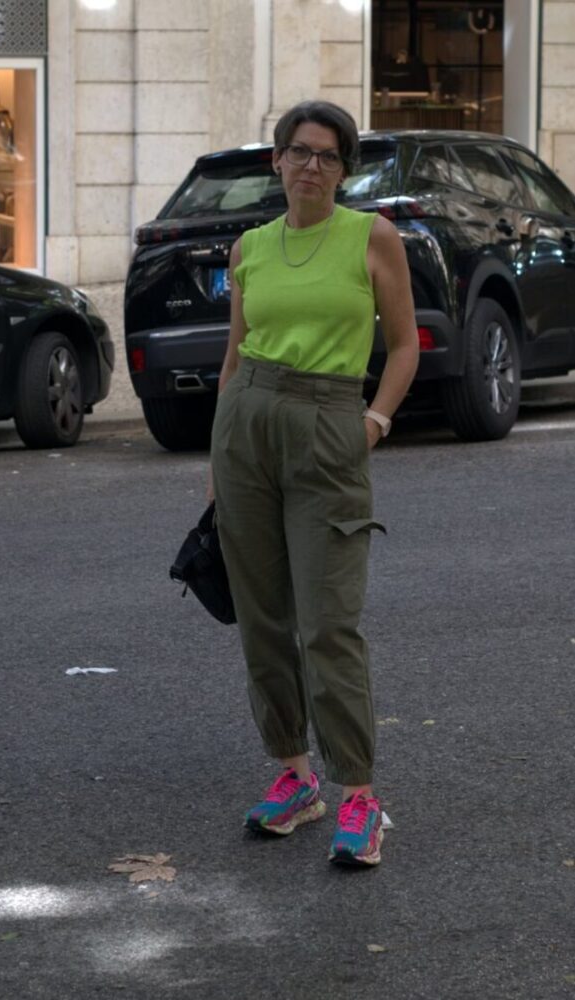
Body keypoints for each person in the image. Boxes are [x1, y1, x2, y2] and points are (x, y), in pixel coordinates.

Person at [209, 100, 419, 866]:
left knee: (328, 622)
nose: (310, 166)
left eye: (327, 156)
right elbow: (235, 355)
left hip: (329, 423)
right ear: (276, 161)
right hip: (247, 428)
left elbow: (402, 347)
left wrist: (372, 424)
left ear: (344, 168)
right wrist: (216, 464)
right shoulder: (248, 249)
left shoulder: (372, 238)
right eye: (298, 152)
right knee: (263, 619)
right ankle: (294, 776)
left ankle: (360, 795)